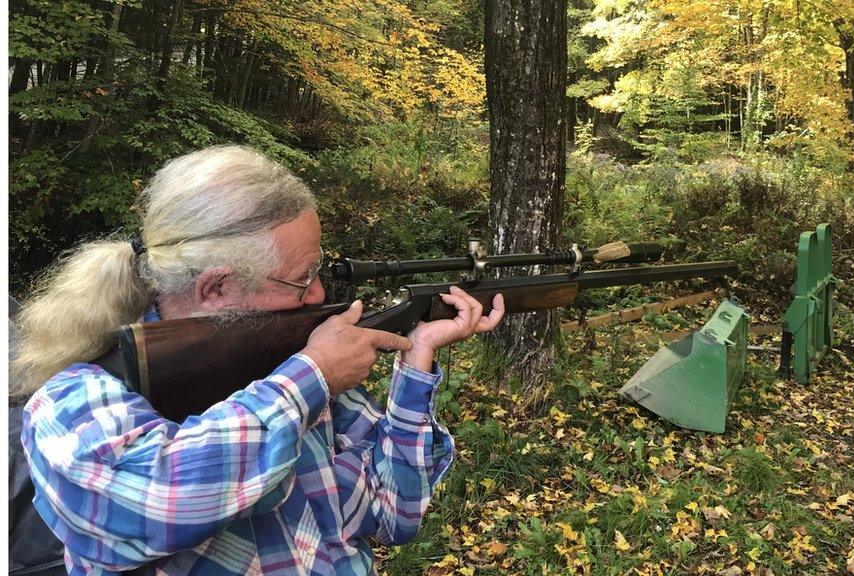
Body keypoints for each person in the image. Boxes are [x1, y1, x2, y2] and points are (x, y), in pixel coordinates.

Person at [12, 145, 504, 576]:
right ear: (217, 287)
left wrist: (417, 359)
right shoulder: (69, 403)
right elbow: (162, 497)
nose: (318, 295)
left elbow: (397, 513)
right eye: (301, 278)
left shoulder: (286, 363)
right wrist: (312, 376)